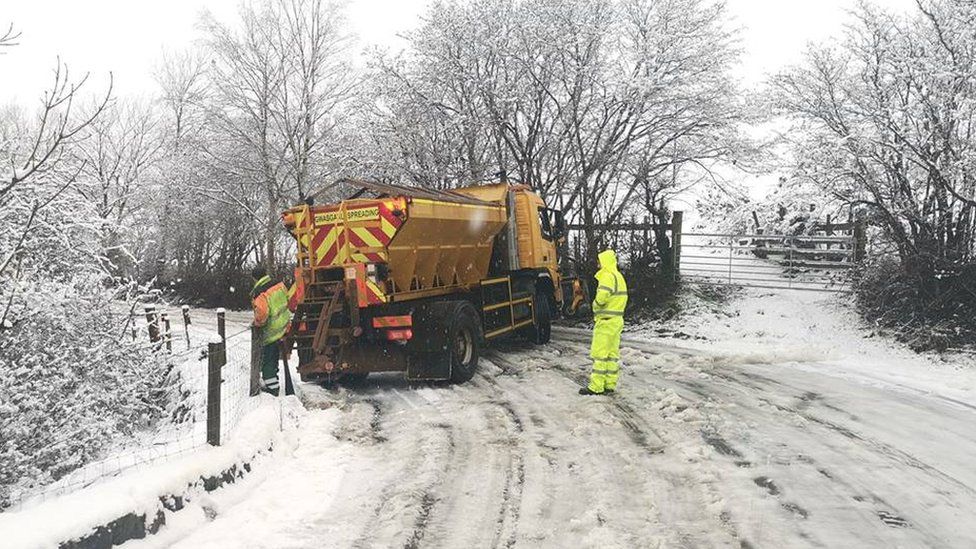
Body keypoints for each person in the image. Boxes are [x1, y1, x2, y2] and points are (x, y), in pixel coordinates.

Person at [580, 249, 628, 396]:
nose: (598, 265)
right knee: (612, 355)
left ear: (605, 262)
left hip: (605, 321)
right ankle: (609, 384)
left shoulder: (607, 276)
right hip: (617, 320)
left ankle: (596, 386)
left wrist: (594, 305)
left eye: (600, 262)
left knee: (600, 354)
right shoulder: (618, 276)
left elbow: (601, 298)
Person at [251, 265, 293, 395]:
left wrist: (257, 323)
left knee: (268, 361)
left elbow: (262, 312)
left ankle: (272, 389)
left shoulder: (260, 292)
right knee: (274, 359)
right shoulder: (279, 284)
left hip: (271, 331)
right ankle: (274, 381)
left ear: (254, 278)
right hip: (284, 327)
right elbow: (288, 299)